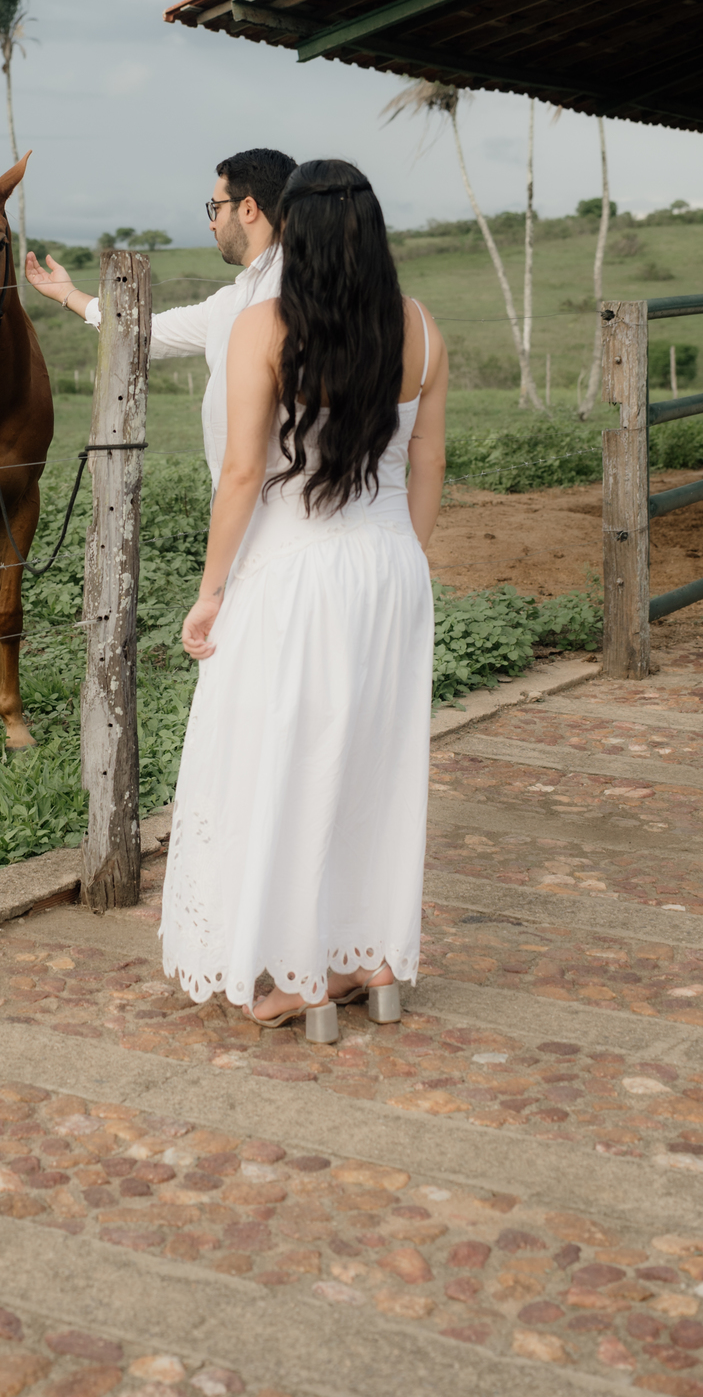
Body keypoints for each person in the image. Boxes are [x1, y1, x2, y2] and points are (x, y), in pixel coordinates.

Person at [158, 158, 447, 1028]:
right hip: (393, 572)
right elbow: (427, 461)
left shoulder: (262, 328)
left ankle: (302, 977)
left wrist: (211, 594)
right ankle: (378, 963)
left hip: (295, 574)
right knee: (375, 765)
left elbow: (244, 472)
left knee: (282, 765)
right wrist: (404, 558)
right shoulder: (421, 328)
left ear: (295, 229)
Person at [24, 149, 296, 487]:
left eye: (216, 207)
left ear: (249, 208)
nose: (212, 222)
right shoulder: (231, 302)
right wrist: (68, 293)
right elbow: (144, 334)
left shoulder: (293, 297)